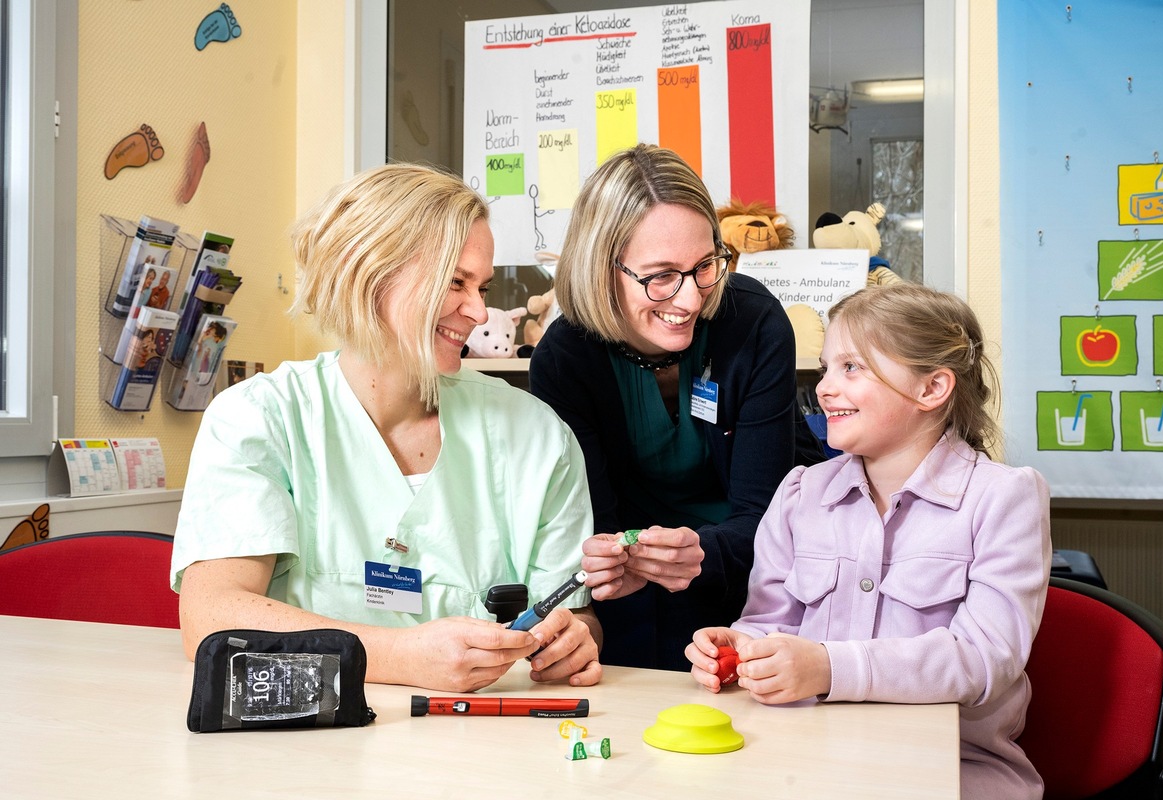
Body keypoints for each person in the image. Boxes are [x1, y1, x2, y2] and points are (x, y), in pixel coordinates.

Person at [171, 163, 602, 692]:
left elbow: (572, 615)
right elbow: (212, 619)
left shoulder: (536, 436)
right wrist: (401, 656)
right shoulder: (260, 419)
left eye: (482, 286)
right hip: (308, 746)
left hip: (484, 750)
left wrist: (577, 639)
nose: (478, 309)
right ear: (369, 275)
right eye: (455, 282)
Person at [686, 283, 1051, 799]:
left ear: (932, 389)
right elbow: (768, 623)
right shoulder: (799, 493)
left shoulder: (1005, 498)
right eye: (826, 366)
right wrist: (740, 649)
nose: (823, 387)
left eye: (851, 368)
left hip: (952, 770)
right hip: (806, 757)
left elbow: (983, 657)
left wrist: (831, 668)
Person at [529, 144, 826, 671]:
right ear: (601, 268)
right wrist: (609, 562)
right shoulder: (565, 356)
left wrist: (703, 554)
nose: (690, 299)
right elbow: (594, 526)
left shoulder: (752, 323)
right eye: (661, 275)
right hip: (629, 598)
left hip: (757, 580)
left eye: (705, 265)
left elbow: (765, 514)